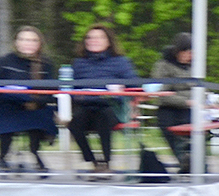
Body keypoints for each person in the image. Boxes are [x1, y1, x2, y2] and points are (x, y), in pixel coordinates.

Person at [67, 23, 137, 174]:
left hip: (112, 107)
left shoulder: (121, 62)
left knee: (103, 118)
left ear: (108, 41)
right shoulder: (79, 63)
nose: (94, 41)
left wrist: (119, 89)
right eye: (90, 38)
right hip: (86, 105)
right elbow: (72, 89)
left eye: (99, 38)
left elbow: (134, 84)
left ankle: (106, 162)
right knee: (74, 123)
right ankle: (92, 161)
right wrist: (81, 96)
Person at [0, 26, 57, 172]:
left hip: (36, 105)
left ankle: (35, 153)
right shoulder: (5, 62)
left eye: (32, 40)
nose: (28, 43)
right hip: (9, 104)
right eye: (24, 39)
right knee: (5, 114)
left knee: (42, 114)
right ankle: (2, 156)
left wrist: (36, 101)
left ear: (39, 43)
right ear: (16, 42)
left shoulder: (46, 64)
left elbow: (51, 91)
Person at [150, 32, 194, 173]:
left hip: (191, 109)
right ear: (178, 51)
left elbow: (201, 88)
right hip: (169, 109)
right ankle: (186, 162)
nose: (190, 55)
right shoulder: (163, 66)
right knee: (173, 130)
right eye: (186, 52)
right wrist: (187, 102)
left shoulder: (194, 67)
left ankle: (192, 162)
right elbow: (161, 94)